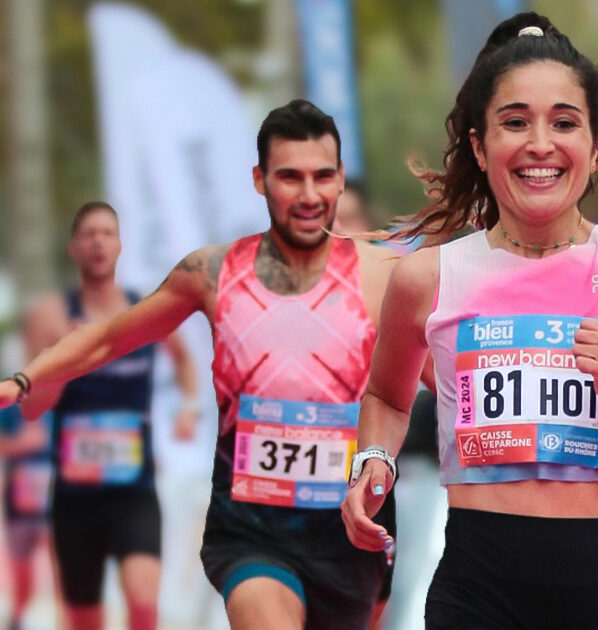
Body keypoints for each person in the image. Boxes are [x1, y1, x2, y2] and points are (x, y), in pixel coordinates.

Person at [341, 14, 598, 630]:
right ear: (478, 144)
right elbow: (386, 394)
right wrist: (372, 463)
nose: (540, 144)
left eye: (564, 123)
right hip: (478, 587)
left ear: (596, 145)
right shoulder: (427, 277)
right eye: (515, 122)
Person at [0, 100, 398, 630]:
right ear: (259, 179)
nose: (309, 195)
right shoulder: (212, 273)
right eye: (289, 177)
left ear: (341, 179)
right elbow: (108, 339)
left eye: (323, 176)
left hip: (351, 530)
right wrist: (25, 379)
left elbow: (422, 381)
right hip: (251, 531)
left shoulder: (383, 276)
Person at [15, 201, 199, 630]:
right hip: (75, 497)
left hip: (134, 492)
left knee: (142, 605)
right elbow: (31, 411)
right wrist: (59, 372)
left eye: (107, 234)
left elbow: (185, 363)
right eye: (89, 235)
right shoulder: (51, 316)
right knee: (83, 620)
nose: (99, 243)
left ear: (119, 246)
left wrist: (188, 408)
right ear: (73, 248)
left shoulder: (144, 309)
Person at [0, 406, 53, 630]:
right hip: (19, 501)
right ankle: (18, 617)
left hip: (58, 499)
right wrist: (23, 443)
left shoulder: (67, 401)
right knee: (23, 570)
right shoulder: (11, 407)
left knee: (65, 565)